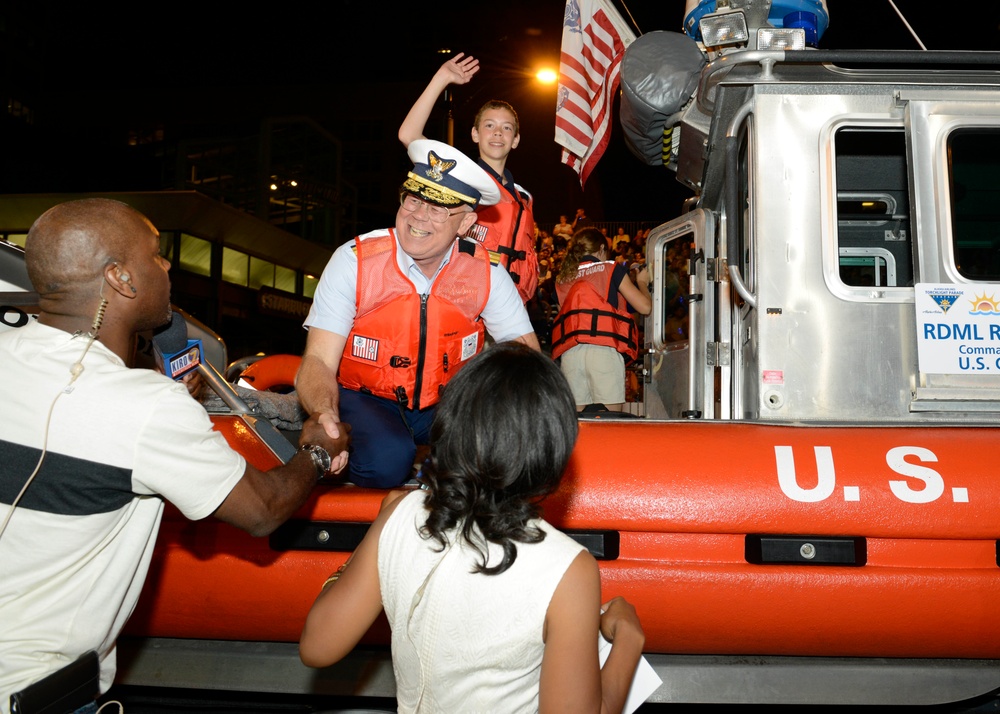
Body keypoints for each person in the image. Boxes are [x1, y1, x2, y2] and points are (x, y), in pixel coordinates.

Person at [0, 198, 350, 714]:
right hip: (35, 691)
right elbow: (264, 509)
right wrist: (317, 453)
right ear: (120, 278)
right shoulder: (146, 408)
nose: (166, 267)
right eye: (156, 254)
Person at [299, 342, 645, 714]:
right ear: (552, 453)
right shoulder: (567, 570)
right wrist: (628, 641)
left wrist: (371, 556)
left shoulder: (399, 514)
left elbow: (317, 645)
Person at [296, 139, 539, 490]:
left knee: (484, 456)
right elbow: (317, 358)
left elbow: (526, 355)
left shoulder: (487, 272)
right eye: (413, 199)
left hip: (446, 402)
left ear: (466, 222)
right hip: (365, 397)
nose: (419, 216)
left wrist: (518, 419)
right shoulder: (354, 260)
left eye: (438, 208)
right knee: (387, 462)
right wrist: (324, 413)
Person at [398, 52, 539, 305]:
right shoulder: (460, 176)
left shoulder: (524, 197)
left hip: (511, 306)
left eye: (507, 128)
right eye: (489, 125)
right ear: (475, 134)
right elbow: (408, 134)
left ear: (515, 140)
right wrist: (441, 78)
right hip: (467, 297)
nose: (498, 132)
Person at [551, 227, 652, 411]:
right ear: (602, 249)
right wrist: (642, 282)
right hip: (603, 352)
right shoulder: (610, 269)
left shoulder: (561, 279)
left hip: (571, 356)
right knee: (610, 426)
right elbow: (644, 307)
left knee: (578, 427)